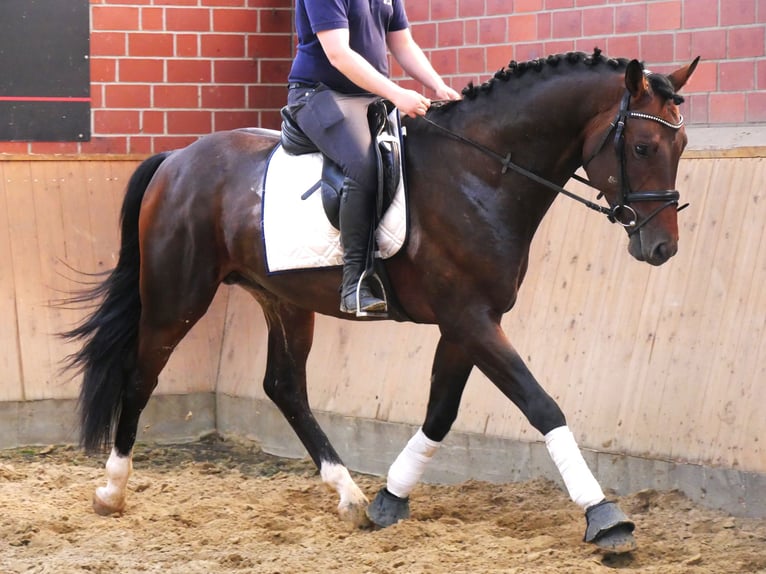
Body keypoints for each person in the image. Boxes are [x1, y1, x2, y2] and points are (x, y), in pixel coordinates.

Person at [286, 0, 461, 315]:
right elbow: (338, 53)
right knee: (363, 165)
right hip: (319, 93)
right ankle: (355, 282)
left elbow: (402, 43)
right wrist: (396, 93)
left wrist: (437, 85)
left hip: (369, 97)